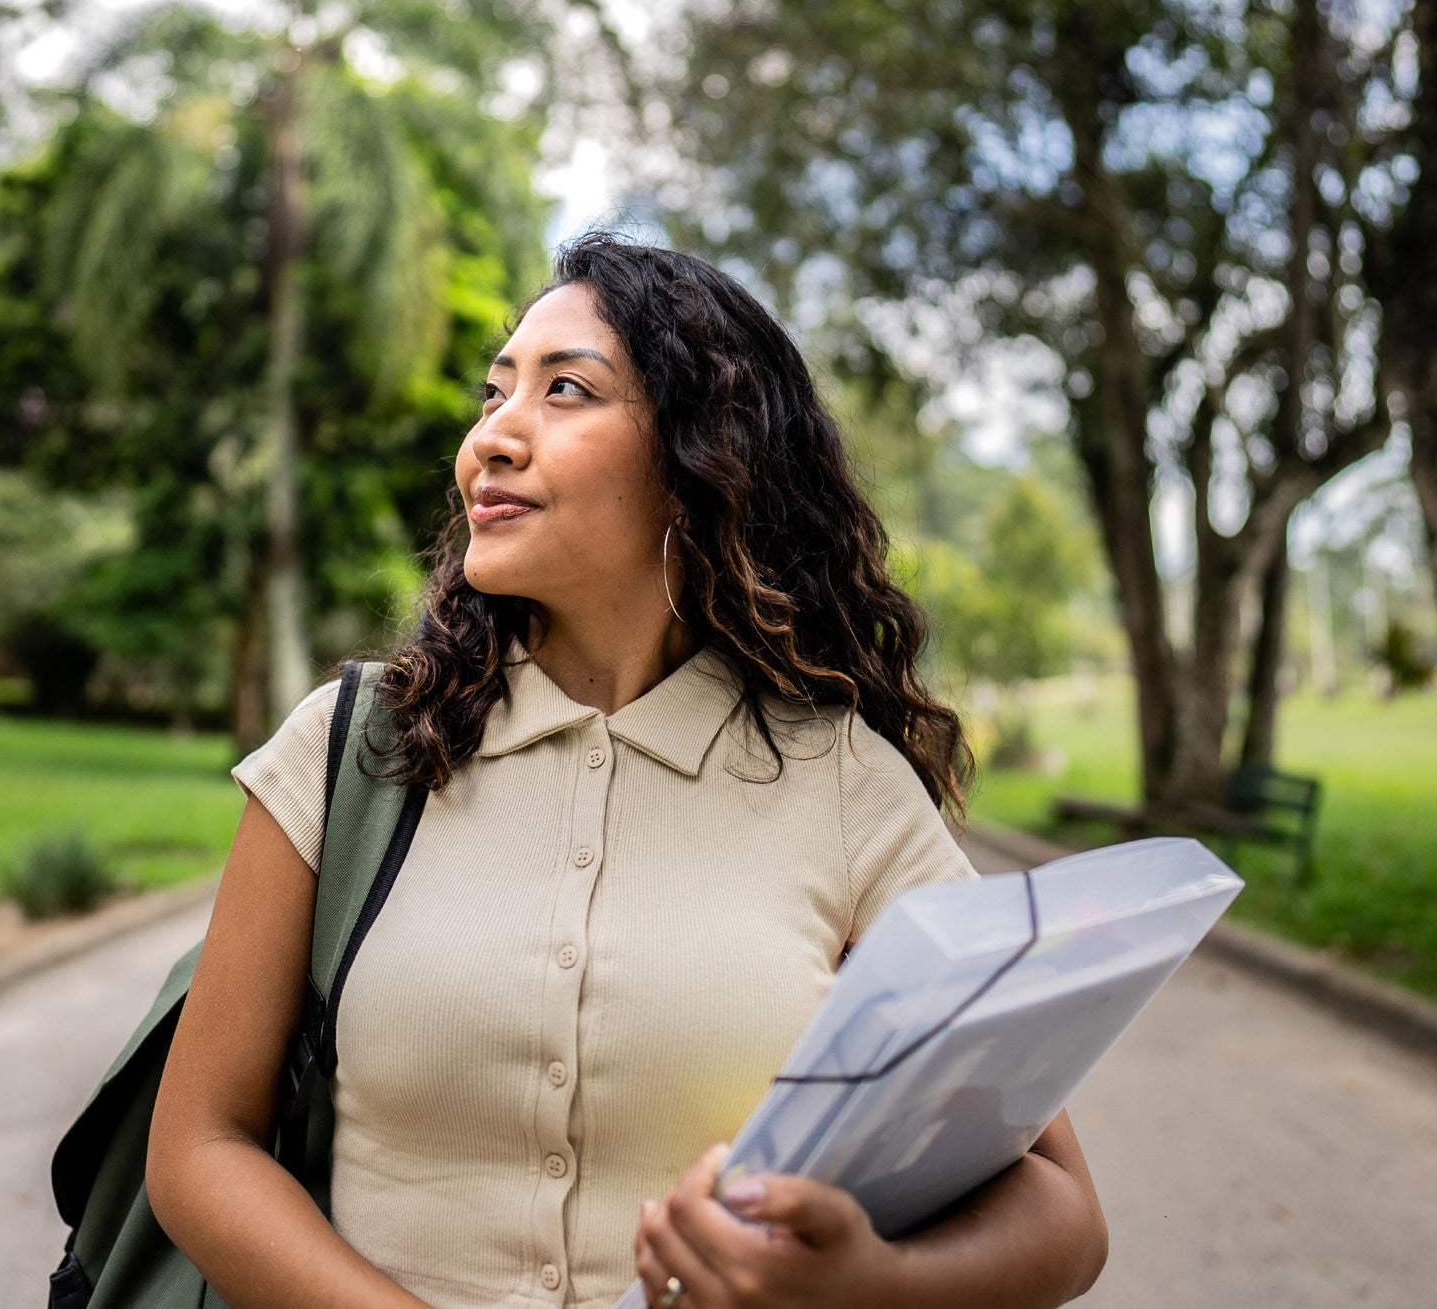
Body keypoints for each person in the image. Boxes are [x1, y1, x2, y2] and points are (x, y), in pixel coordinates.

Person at [145, 232, 1108, 1309]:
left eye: (566, 391)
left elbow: (1059, 1211)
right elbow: (197, 1146)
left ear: (703, 461)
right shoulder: (351, 750)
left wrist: (871, 1278)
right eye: (493, 392)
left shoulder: (844, 785)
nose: (491, 438)